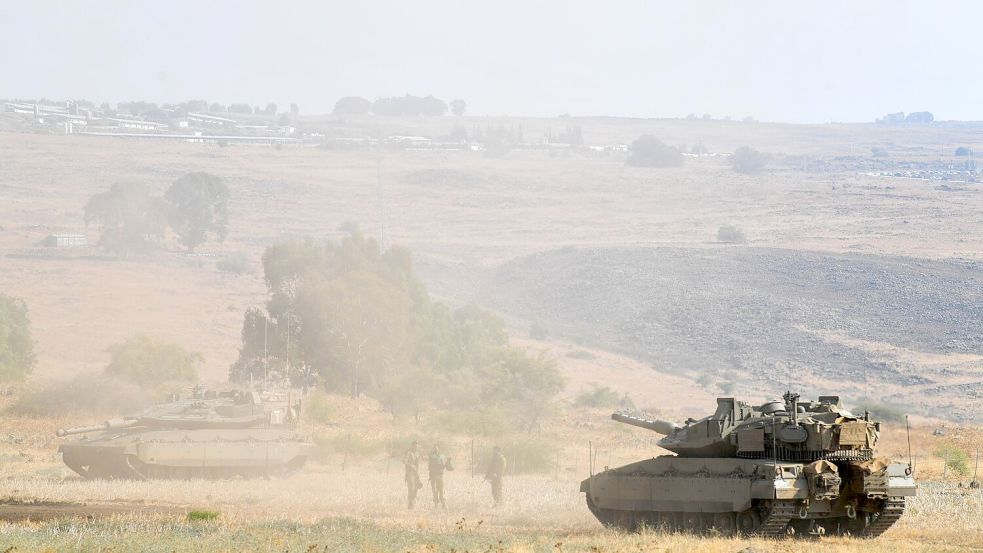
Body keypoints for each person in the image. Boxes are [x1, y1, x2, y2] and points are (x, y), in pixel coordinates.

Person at [403, 441, 422, 509]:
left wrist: (417, 473)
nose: (416, 448)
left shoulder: (417, 453)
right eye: (415, 446)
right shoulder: (408, 452)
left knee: (417, 487)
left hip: (415, 473)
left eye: (417, 447)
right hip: (410, 473)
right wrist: (411, 465)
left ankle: (412, 501)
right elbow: (404, 461)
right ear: (412, 446)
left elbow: (418, 463)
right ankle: (410, 504)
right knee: (411, 489)